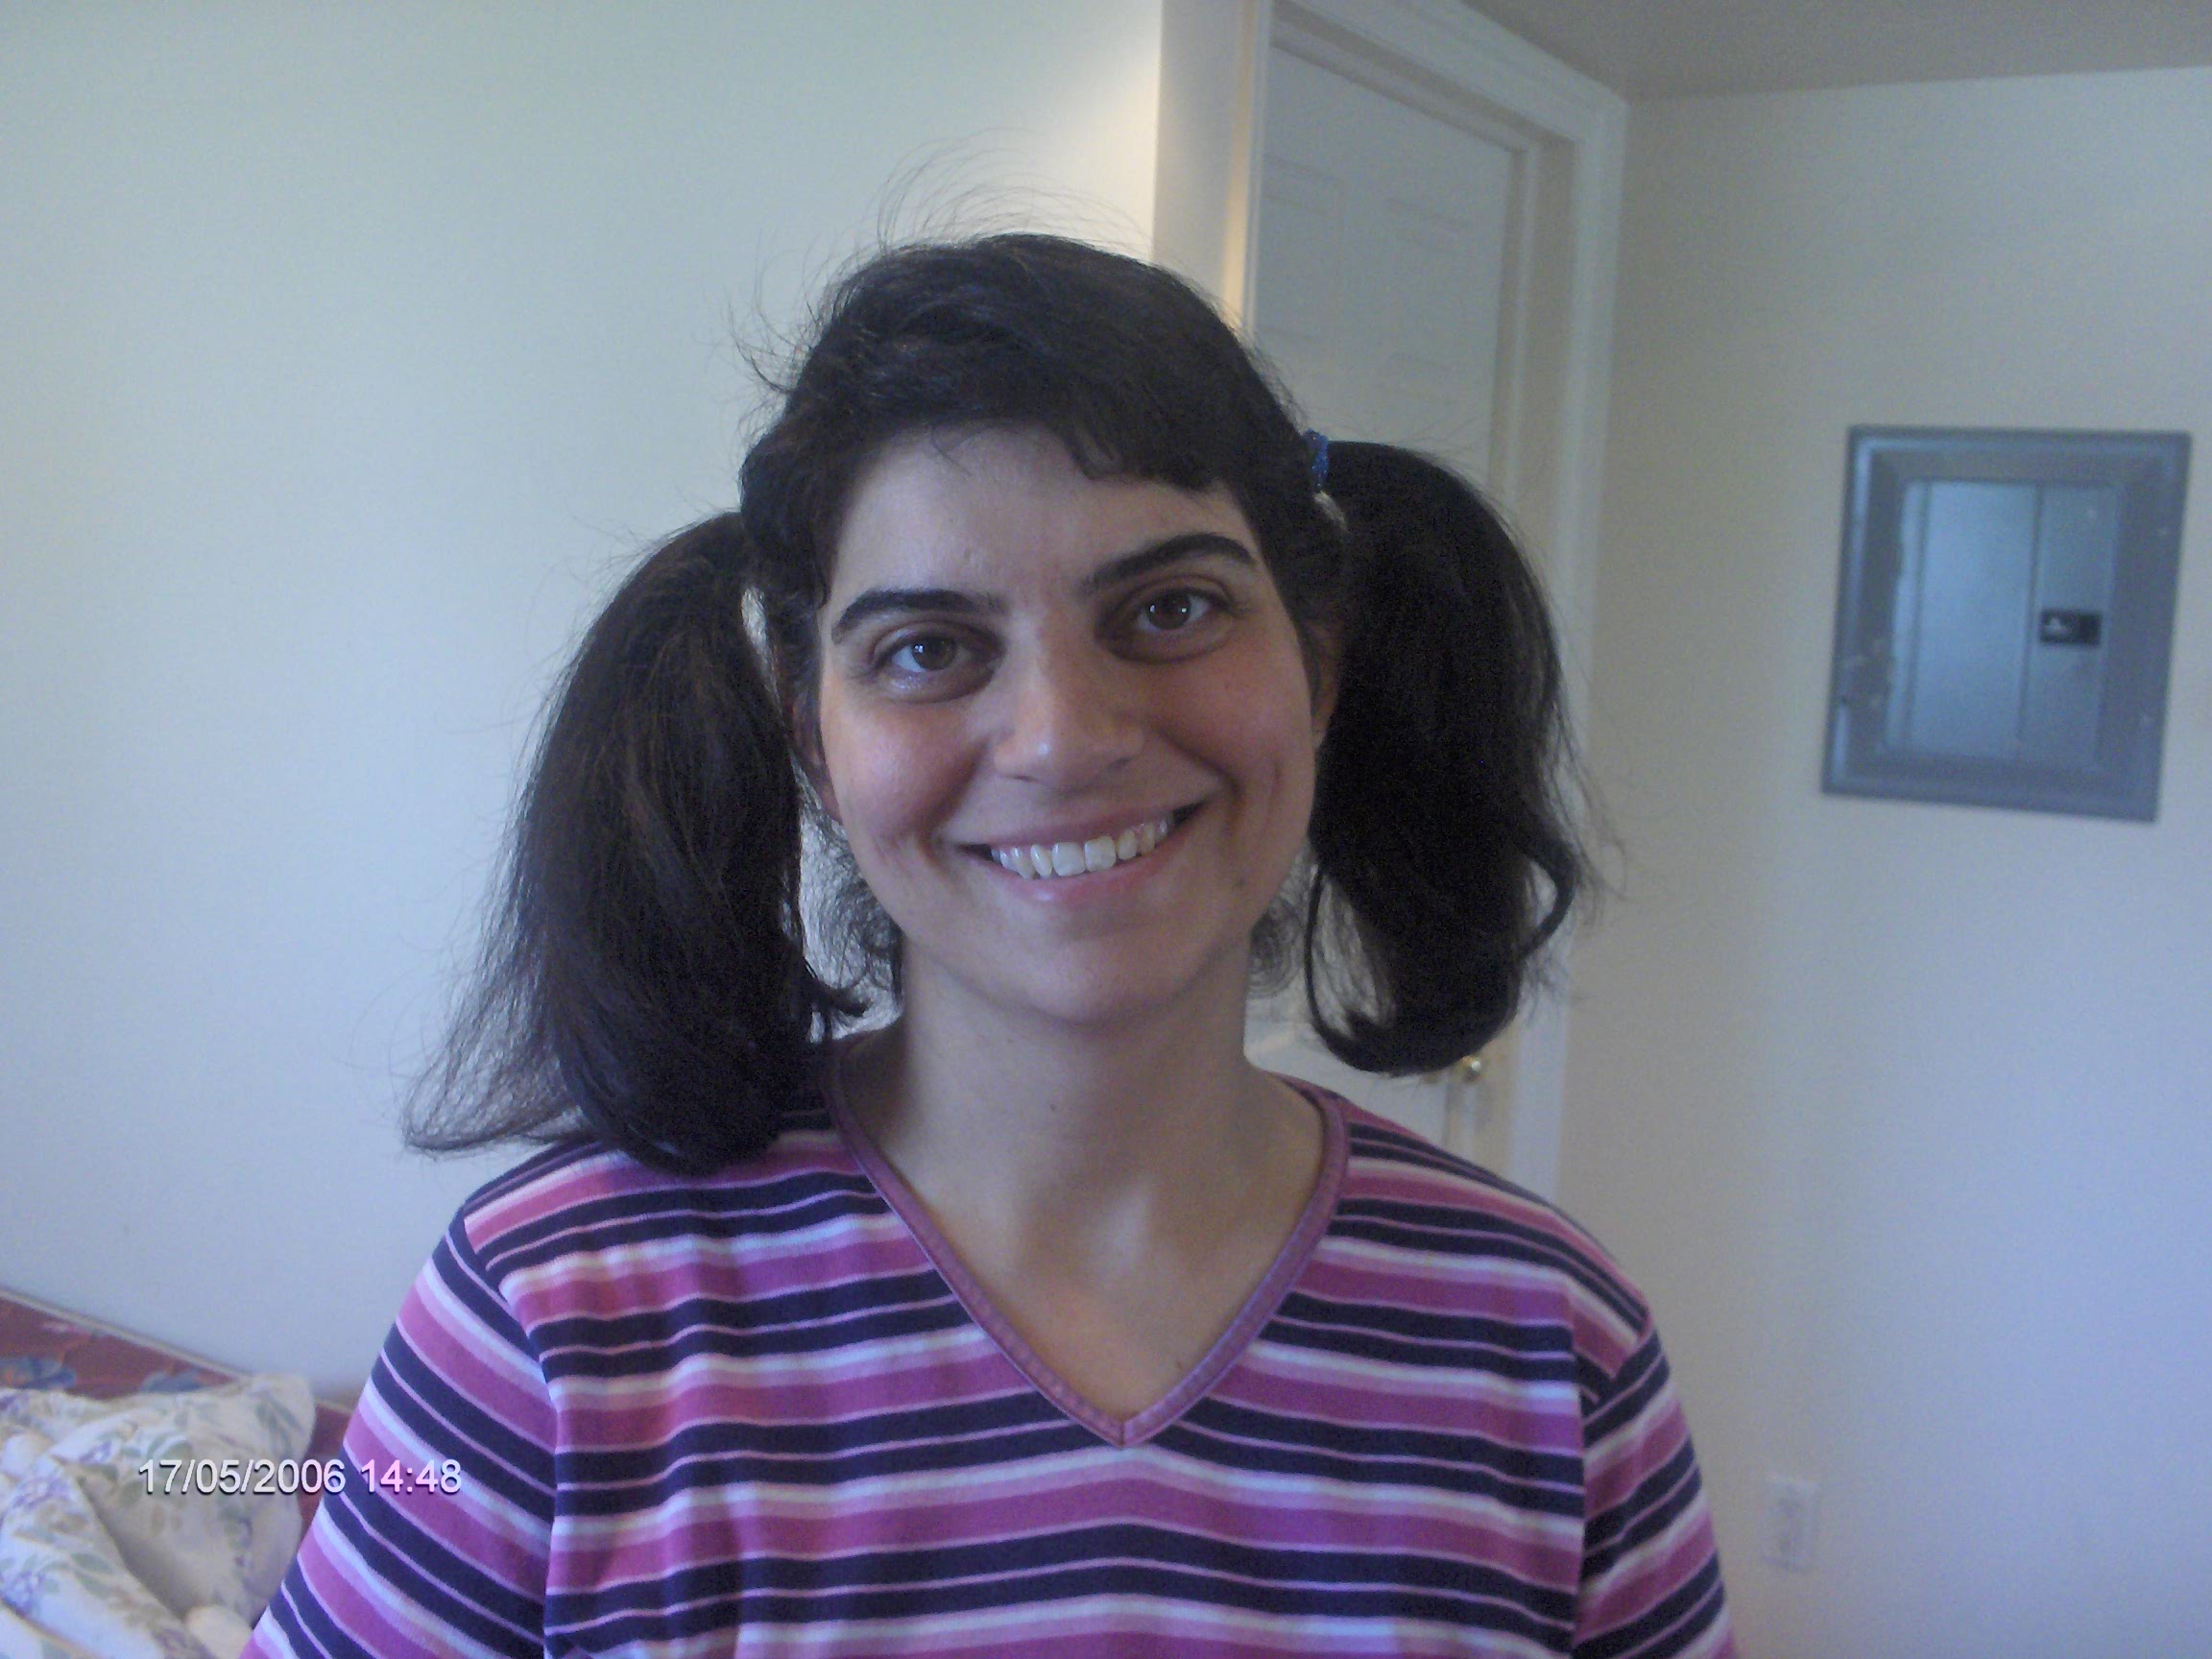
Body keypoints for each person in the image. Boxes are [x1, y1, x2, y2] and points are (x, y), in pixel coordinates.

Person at [245, 233, 1734, 1658]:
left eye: (1172, 607)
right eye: (924, 649)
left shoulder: (1553, 1348)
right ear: (812, 737)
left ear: (1319, 660)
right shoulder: (551, 1315)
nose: (1062, 738)